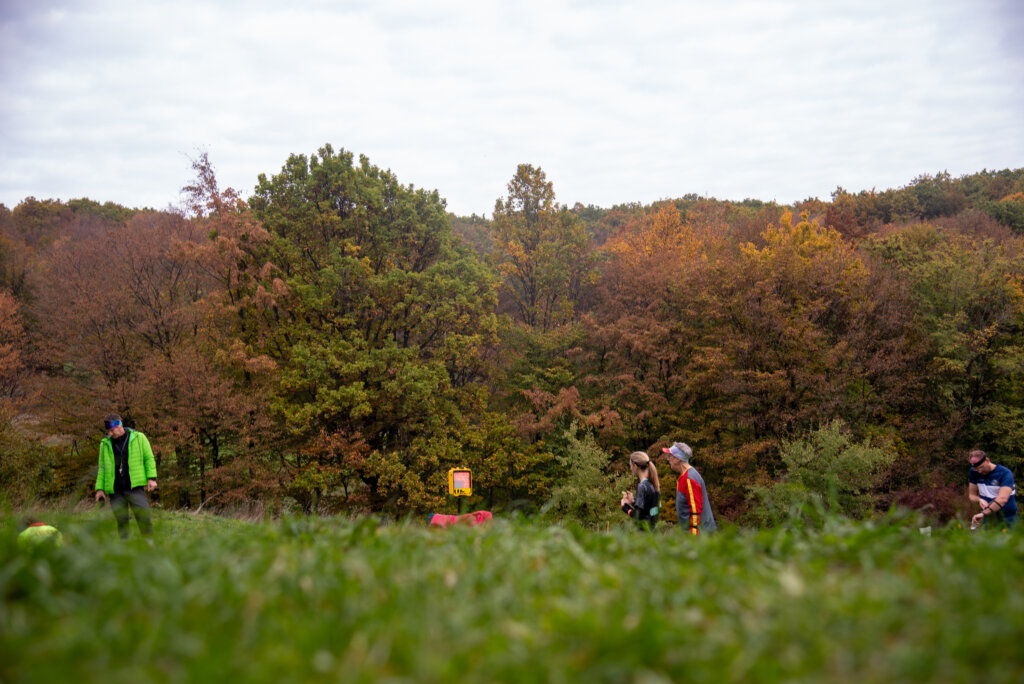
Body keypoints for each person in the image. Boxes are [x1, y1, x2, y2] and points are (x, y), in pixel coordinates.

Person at [94, 413, 158, 539]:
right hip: (116, 491)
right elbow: (102, 468)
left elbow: (149, 459)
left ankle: (150, 548)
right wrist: (99, 489)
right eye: (108, 431)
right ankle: (126, 552)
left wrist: (152, 478)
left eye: (112, 430)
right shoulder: (104, 444)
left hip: (135, 488)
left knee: (144, 519)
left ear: (119, 425)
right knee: (122, 524)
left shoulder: (139, 438)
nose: (110, 433)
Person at [662, 442, 717, 535]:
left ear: (677, 459)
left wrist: (694, 532)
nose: (668, 460)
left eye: (669, 457)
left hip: (701, 534)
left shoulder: (689, 478)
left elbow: (695, 508)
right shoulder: (685, 476)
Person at [968, 450, 1018, 530]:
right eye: (976, 469)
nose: (979, 472)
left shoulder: (1005, 473)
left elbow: (1003, 499)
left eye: (981, 468)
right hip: (989, 519)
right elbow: (972, 495)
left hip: (1008, 519)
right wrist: (979, 500)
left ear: (987, 460)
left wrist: (983, 513)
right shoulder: (973, 472)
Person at [620, 451, 661, 530]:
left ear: (635, 466)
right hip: (653, 530)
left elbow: (638, 514)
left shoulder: (642, 486)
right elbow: (650, 510)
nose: (630, 468)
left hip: (643, 531)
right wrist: (633, 501)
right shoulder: (653, 484)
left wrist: (625, 507)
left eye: (630, 466)